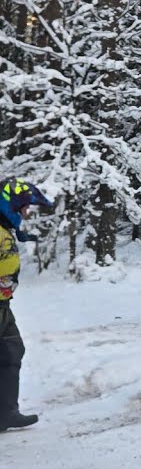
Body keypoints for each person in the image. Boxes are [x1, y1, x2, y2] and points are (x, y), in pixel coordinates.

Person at [0, 178, 52, 431]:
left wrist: (21, 233)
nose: (27, 212)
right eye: (24, 208)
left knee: (12, 350)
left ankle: (6, 412)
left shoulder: (4, 229)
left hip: (2, 306)